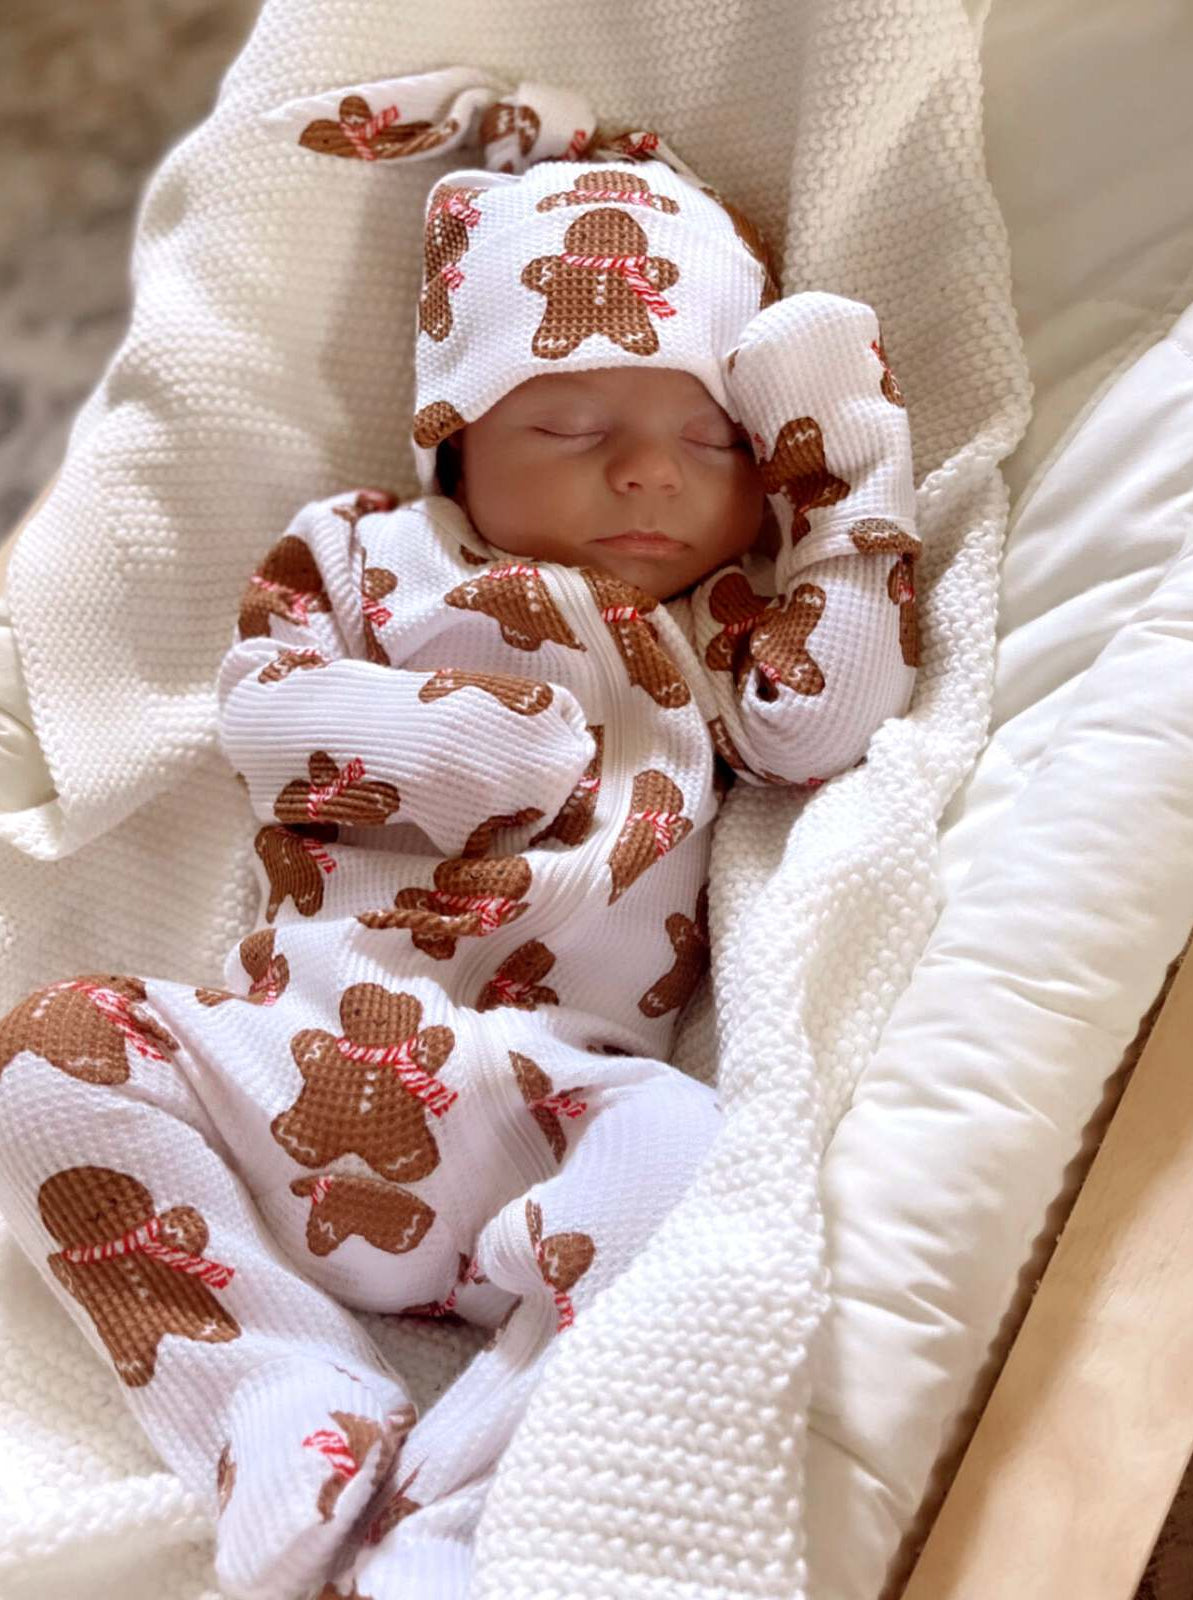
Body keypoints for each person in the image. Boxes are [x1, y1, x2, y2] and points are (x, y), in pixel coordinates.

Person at [0, 150, 919, 1600]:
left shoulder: (717, 620)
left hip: (540, 1109)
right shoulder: (367, 554)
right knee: (46, 1056)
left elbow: (827, 724)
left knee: (692, 1153)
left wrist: (845, 454)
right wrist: (456, 741)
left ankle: (444, 1503)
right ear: (454, 439)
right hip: (283, 1049)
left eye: (713, 438)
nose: (650, 469)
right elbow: (260, 718)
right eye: (570, 421)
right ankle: (274, 1390)